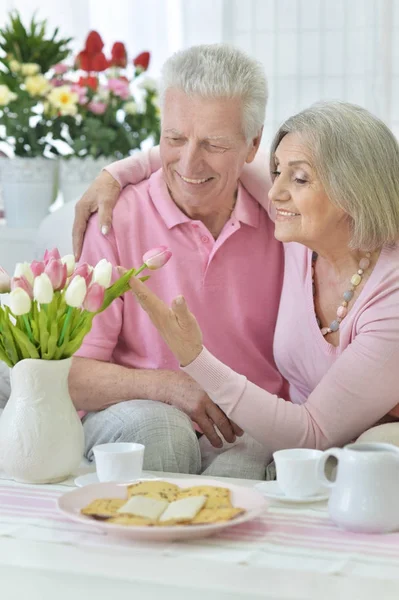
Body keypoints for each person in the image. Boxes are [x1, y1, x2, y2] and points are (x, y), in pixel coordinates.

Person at [79, 100, 399, 451]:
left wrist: (195, 357)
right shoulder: (302, 238)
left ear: (353, 192)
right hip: (295, 442)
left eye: (300, 178)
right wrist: (114, 174)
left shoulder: (388, 295)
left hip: (345, 447)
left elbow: (313, 432)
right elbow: (214, 158)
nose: (275, 192)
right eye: (277, 171)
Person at [69, 44, 288, 479]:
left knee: (244, 466)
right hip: (137, 411)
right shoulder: (116, 218)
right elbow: (72, 375)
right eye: (174, 138)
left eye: (213, 143)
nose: (189, 163)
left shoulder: (285, 225)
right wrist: (168, 387)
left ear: (253, 145)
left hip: (248, 421)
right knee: (164, 431)